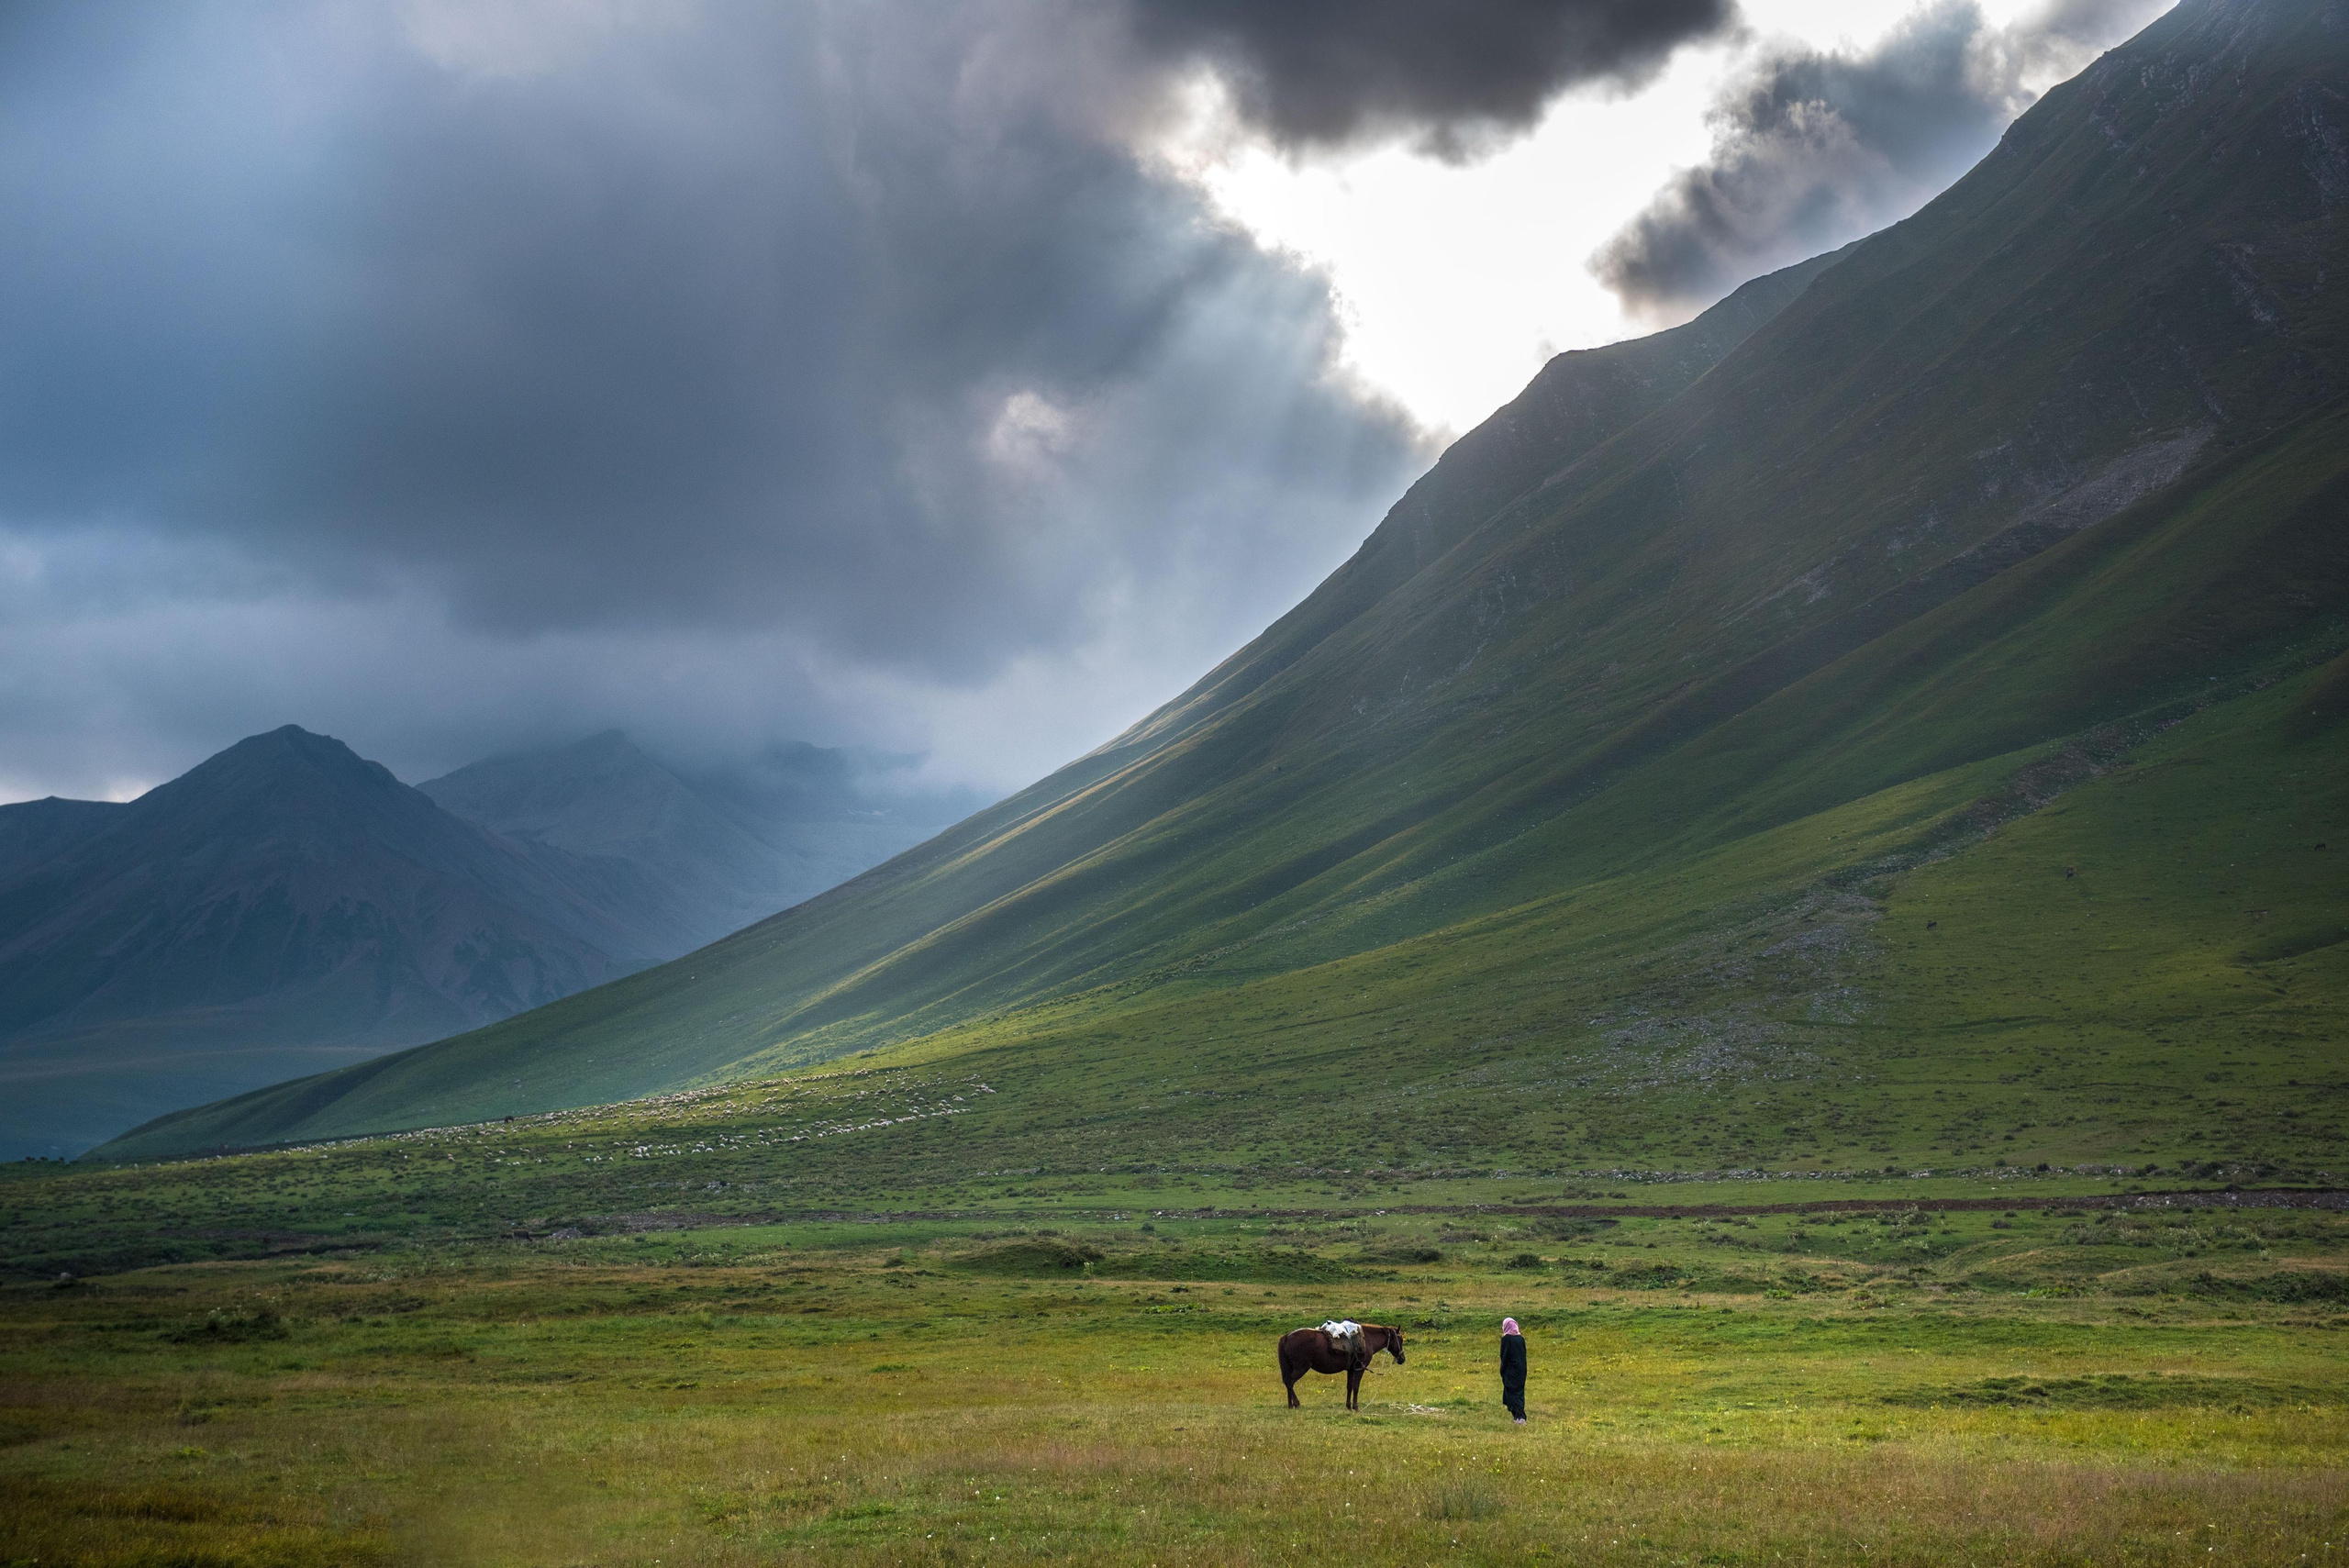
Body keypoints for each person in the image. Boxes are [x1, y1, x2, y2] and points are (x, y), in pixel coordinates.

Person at [1499, 1317, 1527, 1424]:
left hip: (1511, 1371)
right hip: (1521, 1371)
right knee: (1519, 1393)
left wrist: (1502, 1371)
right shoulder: (1521, 1339)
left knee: (1511, 1393)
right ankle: (1520, 1417)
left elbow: (1504, 1356)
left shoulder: (1506, 1339)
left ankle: (1519, 1416)